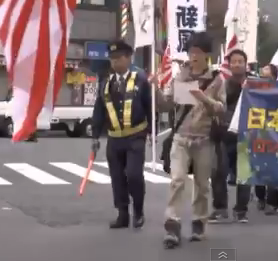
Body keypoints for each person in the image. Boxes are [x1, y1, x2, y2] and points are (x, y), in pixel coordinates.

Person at [156, 32, 226, 249]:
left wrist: (203, 98)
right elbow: (167, 104)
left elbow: (221, 110)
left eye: (198, 52)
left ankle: (198, 222)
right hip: (181, 137)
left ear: (207, 55)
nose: (193, 56)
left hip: (204, 138)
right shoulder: (180, 76)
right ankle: (172, 224)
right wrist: (155, 90)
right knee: (177, 180)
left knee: (202, 185)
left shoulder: (216, 79)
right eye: (191, 52)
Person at [90, 40, 153, 230]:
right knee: (117, 178)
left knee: (133, 175)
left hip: (136, 136)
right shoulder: (106, 82)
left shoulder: (141, 79)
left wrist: (151, 131)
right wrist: (95, 136)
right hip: (114, 138)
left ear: (128, 58)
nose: (115, 62)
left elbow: (149, 105)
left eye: (119, 58)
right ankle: (122, 214)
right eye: (112, 59)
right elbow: (99, 110)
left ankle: (139, 210)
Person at [209, 49, 254, 224]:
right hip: (224, 132)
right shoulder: (223, 84)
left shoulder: (253, 83)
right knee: (219, 172)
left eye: (239, 61)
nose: (236, 64)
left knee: (244, 174)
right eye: (233, 61)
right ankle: (220, 208)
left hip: (246, 134)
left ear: (245, 63)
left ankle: (241, 210)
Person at [254, 64, 278, 215]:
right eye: (261, 76)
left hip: (275, 134)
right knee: (259, 169)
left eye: (267, 77)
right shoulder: (254, 92)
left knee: (272, 169)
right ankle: (260, 198)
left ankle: (272, 202)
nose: (263, 79)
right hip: (258, 134)